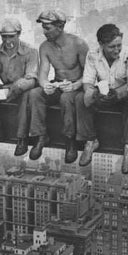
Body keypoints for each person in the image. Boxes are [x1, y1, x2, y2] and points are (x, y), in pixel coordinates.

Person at [0, 15, 46, 158]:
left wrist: (17, 87)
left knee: (26, 98)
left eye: (11, 36)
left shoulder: (30, 51)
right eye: (4, 37)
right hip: (6, 89)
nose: (8, 41)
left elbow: (32, 76)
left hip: (24, 88)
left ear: (19, 34)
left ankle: (21, 138)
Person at [37, 10, 91, 163]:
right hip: (58, 83)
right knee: (35, 94)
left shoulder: (78, 44)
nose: (44, 31)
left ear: (60, 27)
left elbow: (89, 74)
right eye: (43, 27)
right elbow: (43, 73)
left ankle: (70, 141)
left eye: (47, 28)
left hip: (76, 86)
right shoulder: (45, 47)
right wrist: (45, 85)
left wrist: (75, 85)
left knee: (66, 99)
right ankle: (40, 135)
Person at [79, 22, 128, 170]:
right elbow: (88, 81)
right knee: (82, 99)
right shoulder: (92, 55)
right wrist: (93, 93)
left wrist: (117, 94)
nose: (117, 50)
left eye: (119, 45)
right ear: (101, 44)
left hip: (122, 94)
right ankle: (90, 140)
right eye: (112, 47)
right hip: (103, 93)